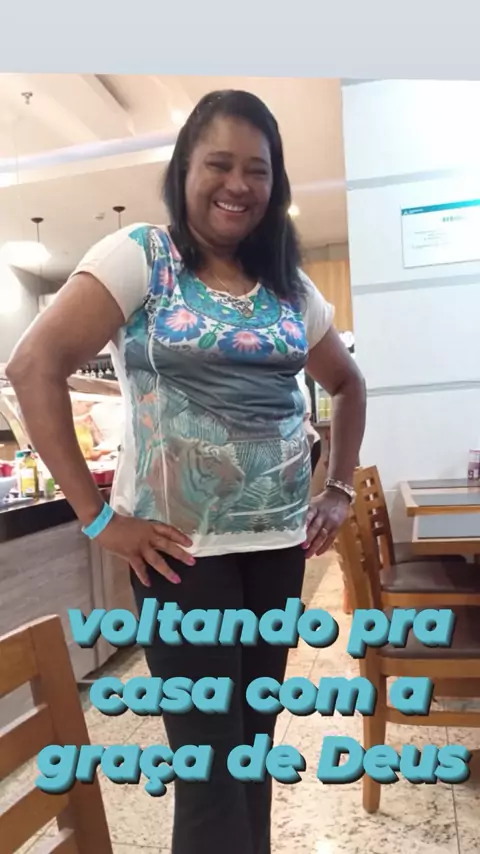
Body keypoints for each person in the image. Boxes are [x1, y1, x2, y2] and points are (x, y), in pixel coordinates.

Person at [7, 90, 366, 854]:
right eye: (219, 164)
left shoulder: (290, 287)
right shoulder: (143, 256)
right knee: (208, 768)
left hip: (276, 551)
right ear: (185, 172)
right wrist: (98, 519)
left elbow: (348, 383)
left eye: (257, 170)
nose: (238, 184)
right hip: (180, 560)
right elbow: (34, 366)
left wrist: (338, 488)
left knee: (253, 747)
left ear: (275, 184)